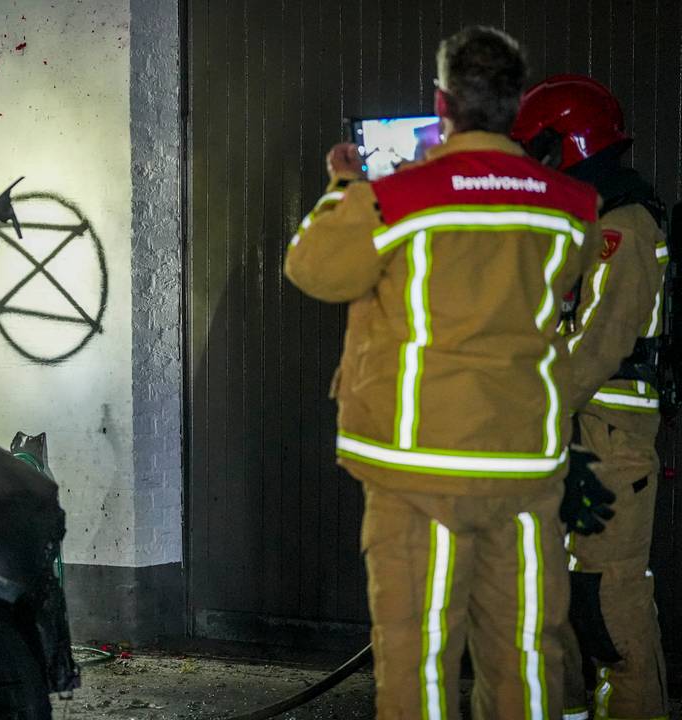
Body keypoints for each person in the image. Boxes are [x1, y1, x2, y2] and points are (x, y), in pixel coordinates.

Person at [284, 26, 604, 719]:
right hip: (523, 466)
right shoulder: (572, 206)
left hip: (416, 465)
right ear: (518, 107)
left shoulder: (396, 196)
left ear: (441, 102)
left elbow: (313, 269)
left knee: (419, 658)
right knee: (525, 654)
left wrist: (344, 184)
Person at [512, 74, 670, 720]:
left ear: (566, 145)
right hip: (565, 440)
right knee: (553, 606)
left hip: (609, 443)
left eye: (538, 153)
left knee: (606, 606)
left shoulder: (624, 226)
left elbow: (598, 345)